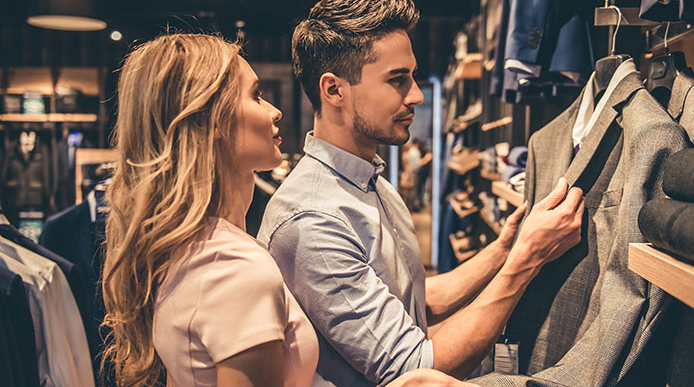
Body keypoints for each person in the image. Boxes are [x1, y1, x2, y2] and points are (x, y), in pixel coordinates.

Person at [100, 33, 476, 387]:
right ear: (211, 121)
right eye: (257, 95)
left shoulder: (205, 249)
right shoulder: (232, 268)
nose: (275, 111)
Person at [258, 0, 585, 386]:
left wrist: (505, 251)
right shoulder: (312, 219)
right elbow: (414, 372)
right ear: (334, 90)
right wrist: (526, 261)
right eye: (398, 80)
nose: (415, 95)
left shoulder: (370, 179)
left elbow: (417, 298)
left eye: (411, 77)